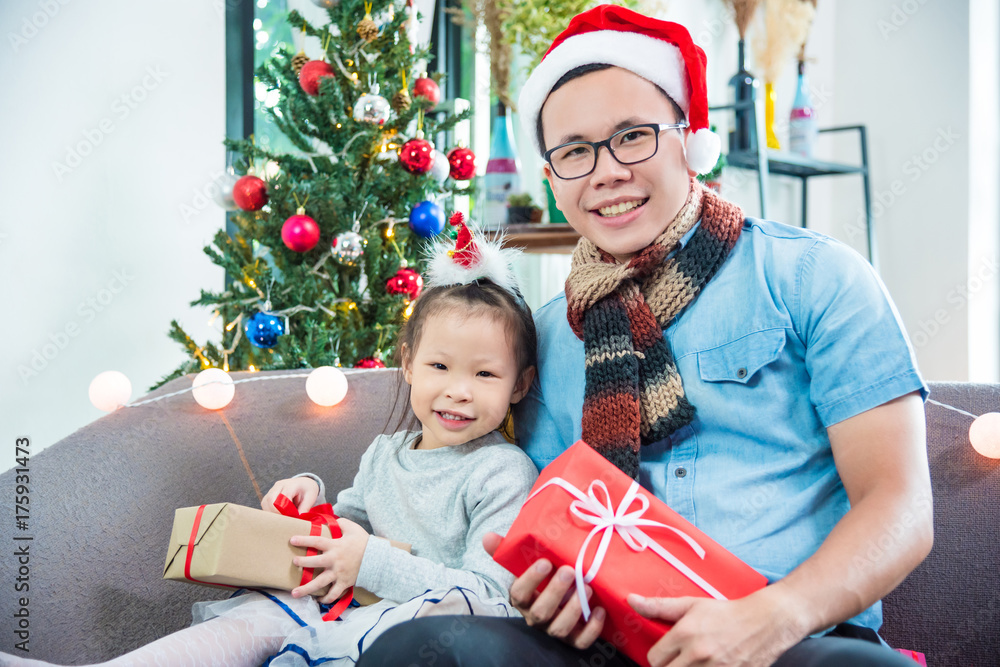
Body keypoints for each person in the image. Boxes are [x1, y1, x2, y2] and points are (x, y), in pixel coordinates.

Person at [356, 5, 932, 667]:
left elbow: (901, 504)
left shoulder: (812, 276)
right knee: (414, 650)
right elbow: (551, 523)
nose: (607, 171)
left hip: (795, 638)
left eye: (633, 137)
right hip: (604, 646)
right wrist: (551, 590)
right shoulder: (541, 336)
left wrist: (772, 616)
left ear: (689, 139)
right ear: (551, 179)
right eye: (574, 151)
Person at [4, 216, 540, 667]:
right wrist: (308, 500)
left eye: (485, 375)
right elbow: (349, 525)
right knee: (258, 615)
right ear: (408, 364)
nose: (457, 391)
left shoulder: (501, 471)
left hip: (413, 624)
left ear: (519, 384)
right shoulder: (386, 453)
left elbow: (488, 599)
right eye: (439, 366)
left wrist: (367, 561)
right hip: (340, 602)